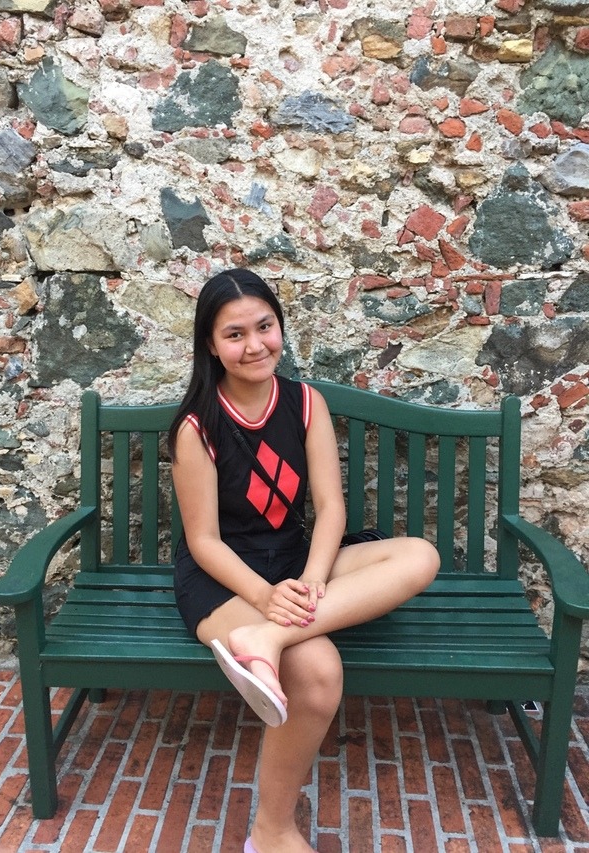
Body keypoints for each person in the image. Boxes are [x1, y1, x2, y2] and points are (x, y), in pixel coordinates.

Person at [168, 268, 440, 853]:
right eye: (234, 334)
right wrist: (264, 595)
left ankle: (264, 640)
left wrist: (313, 578)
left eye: (265, 326)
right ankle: (271, 832)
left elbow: (330, 506)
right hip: (223, 577)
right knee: (317, 672)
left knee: (419, 555)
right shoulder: (197, 428)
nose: (254, 345)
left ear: (280, 327)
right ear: (210, 346)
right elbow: (205, 542)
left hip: (294, 561)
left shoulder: (305, 403)